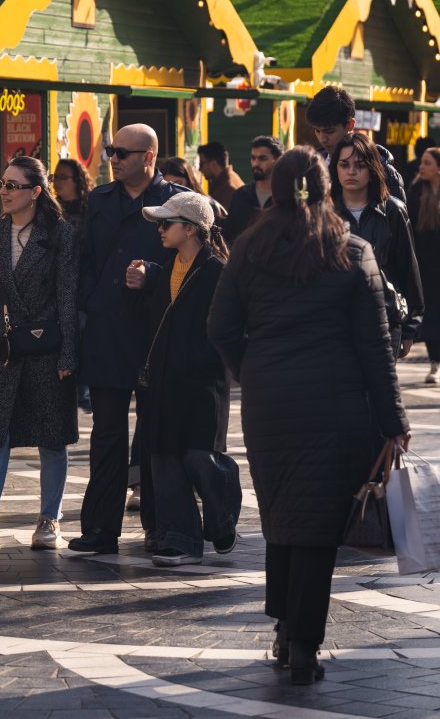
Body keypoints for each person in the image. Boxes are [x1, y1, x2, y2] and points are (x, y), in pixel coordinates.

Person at [208, 147, 409, 686]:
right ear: (325, 189)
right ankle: (303, 644)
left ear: (276, 188)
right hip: (336, 403)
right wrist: (394, 420)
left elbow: (220, 327)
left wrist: (251, 370)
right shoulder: (353, 249)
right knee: (316, 524)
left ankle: (284, 625)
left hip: (270, 402)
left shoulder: (249, 248)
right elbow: (375, 347)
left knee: (281, 517)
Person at [0, 156, 78, 553]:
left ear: (35, 192)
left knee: (52, 440)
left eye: (13, 186)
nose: (4, 192)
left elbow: (68, 298)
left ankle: (48, 521)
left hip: (45, 350)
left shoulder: (59, 234)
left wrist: (68, 356)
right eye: (2, 183)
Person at [69, 124, 183, 555]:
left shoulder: (174, 201)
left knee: (157, 434)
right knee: (107, 435)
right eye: (111, 151)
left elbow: (192, 261)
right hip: (107, 330)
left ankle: (160, 525)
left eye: (122, 152)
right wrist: (91, 302)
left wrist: (151, 277)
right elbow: (84, 261)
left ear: (148, 157)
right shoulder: (99, 200)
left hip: (156, 331)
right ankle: (100, 529)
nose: (112, 158)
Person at [140, 192, 241, 567]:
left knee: (201, 456)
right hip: (163, 380)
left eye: (167, 223)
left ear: (192, 229)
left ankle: (223, 514)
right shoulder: (166, 269)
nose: (161, 230)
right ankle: (179, 538)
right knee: (164, 457)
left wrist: (205, 362)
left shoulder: (216, 271)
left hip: (202, 384)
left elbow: (228, 328)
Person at [329, 133, 423, 360]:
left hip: (384, 320)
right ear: (336, 169)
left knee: (380, 391)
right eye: (344, 165)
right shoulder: (324, 212)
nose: (351, 171)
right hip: (335, 324)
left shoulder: (393, 211)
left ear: (372, 169)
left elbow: (407, 269)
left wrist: (409, 327)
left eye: (360, 165)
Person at [306, 85, 405, 202]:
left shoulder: (384, 171)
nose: (322, 139)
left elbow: (396, 215)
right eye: (317, 130)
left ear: (350, 125)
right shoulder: (312, 167)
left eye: (330, 131)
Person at [52, 158, 94, 412]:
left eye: (63, 177)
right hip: (58, 285)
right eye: (55, 177)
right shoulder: (52, 210)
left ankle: (84, 390)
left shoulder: (89, 210)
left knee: (82, 334)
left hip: (83, 284)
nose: (57, 182)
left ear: (77, 179)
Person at [407, 146, 440, 384]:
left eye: (427, 163)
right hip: (428, 266)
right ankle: (435, 362)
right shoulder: (417, 191)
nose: (421, 167)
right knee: (431, 316)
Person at [223, 136, 284, 242]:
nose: (256, 164)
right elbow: (230, 237)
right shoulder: (241, 196)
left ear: (278, 160)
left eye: (262, 158)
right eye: (253, 158)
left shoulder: (287, 196)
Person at [197, 142, 244, 211]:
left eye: (201, 165)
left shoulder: (229, 188)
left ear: (213, 164)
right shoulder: (231, 178)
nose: (200, 169)